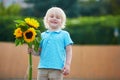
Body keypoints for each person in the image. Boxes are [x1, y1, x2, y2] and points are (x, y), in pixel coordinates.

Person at [28, 7, 73, 80]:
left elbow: (69, 51)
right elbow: (38, 52)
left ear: (62, 21)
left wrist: (67, 65)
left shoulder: (64, 34)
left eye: (58, 17)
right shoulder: (42, 35)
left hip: (57, 68)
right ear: (46, 20)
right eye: (51, 16)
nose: (54, 18)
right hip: (42, 68)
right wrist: (32, 51)